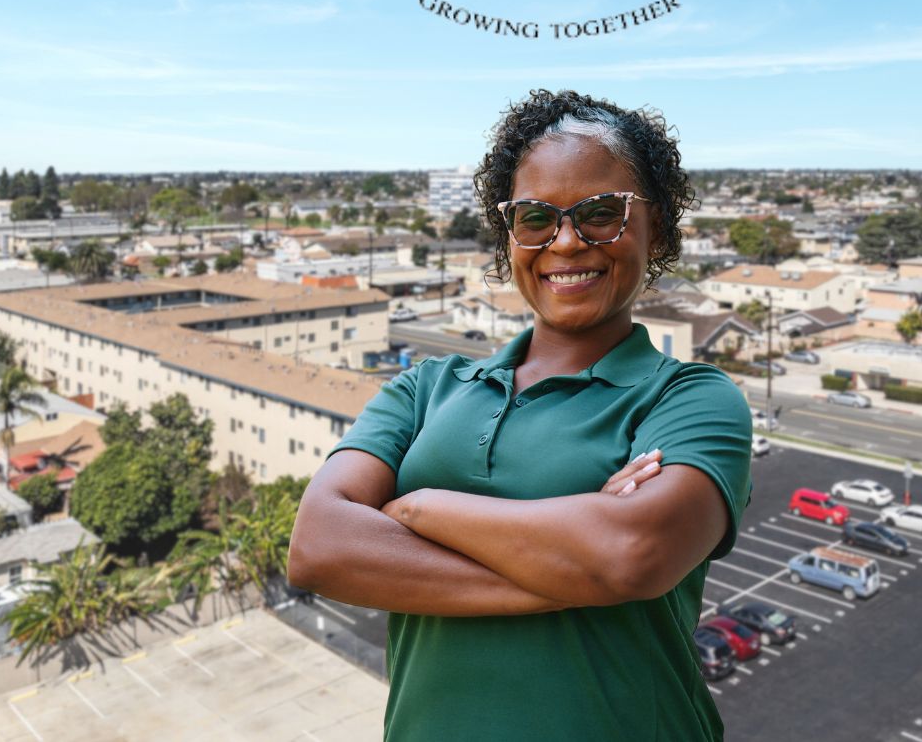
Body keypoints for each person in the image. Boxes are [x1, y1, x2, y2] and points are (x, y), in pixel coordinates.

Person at [287, 89, 753, 742]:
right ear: (510, 235)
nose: (566, 241)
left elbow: (630, 552)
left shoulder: (691, 399)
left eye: (601, 214)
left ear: (661, 229)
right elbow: (318, 548)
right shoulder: (427, 387)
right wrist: (572, 565)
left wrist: (417, 509)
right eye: (536, 217)